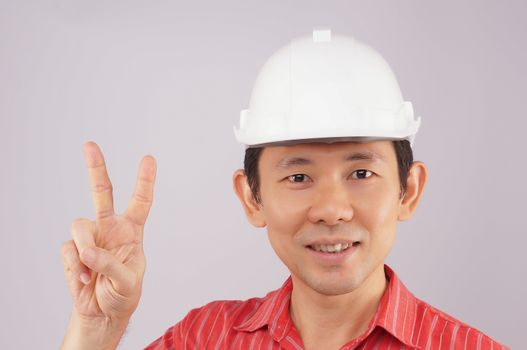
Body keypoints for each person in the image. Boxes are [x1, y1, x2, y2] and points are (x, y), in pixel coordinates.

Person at [60, 29, 509, 349]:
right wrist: (97, 329)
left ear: (408, 191)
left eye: (360, 173)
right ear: (251, 197)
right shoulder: (203, 339)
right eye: (298, 177)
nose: (332, 210)